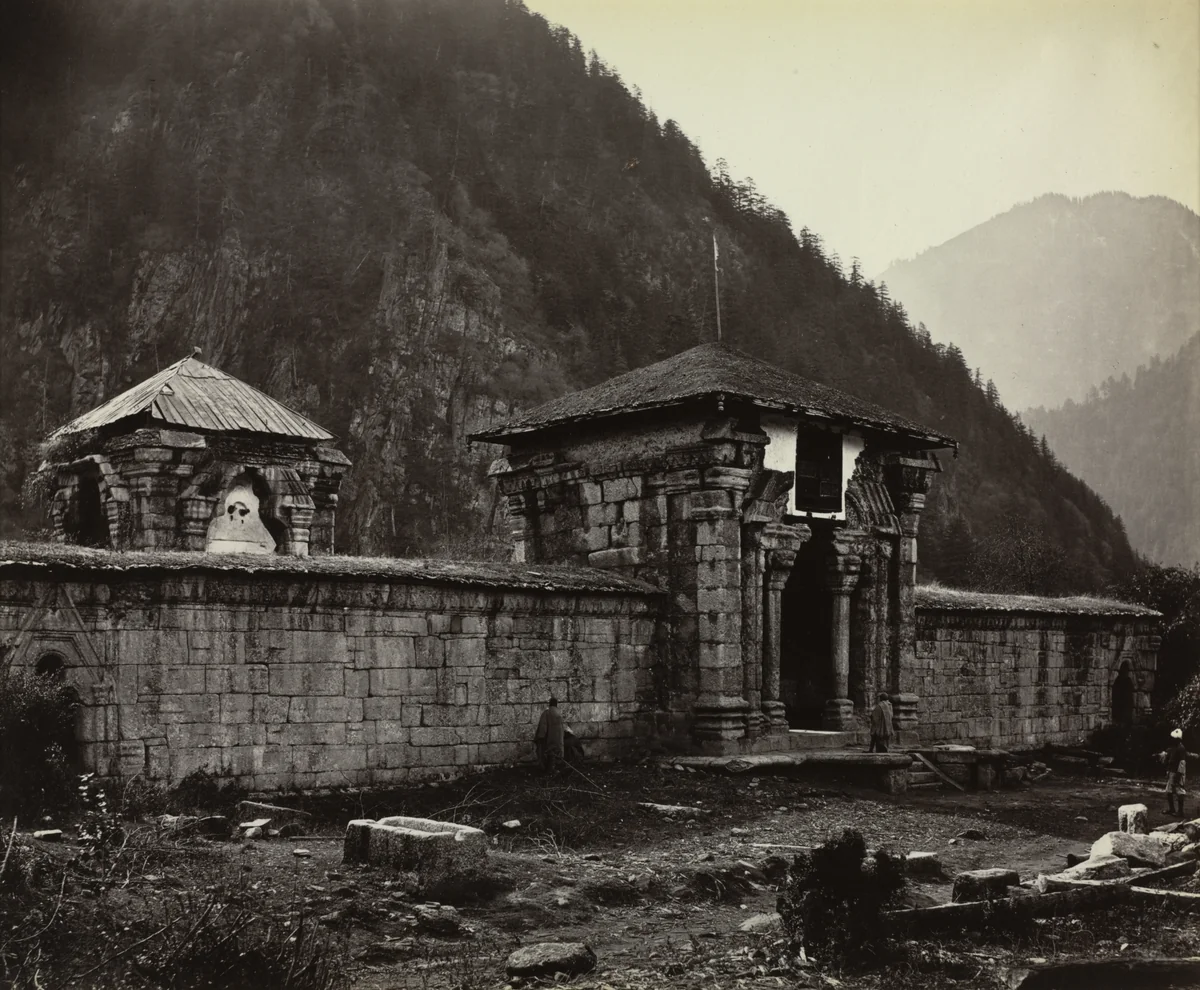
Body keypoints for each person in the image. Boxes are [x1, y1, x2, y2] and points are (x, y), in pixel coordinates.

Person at [534, 696, 564, 772]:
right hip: (558, 739)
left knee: (548, 752)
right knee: (556, 752)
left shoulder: (546, 713)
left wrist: (540, 737)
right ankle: (555, 768)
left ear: (550, 704)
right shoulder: (559, 713)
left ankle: (549, 770)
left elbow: (543, 727)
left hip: (549, 738)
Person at [1163, 728, 1188, 817]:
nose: (1172, 739)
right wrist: (1168, 771)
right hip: (1172, 771)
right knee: (1169, 791)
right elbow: (1170, 760)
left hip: (1178, 772)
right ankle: (1172, 809)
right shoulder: (1173, 748)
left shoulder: (1181, 748)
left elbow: (1182, 763)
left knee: (1179, 791)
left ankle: (1180, 811)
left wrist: (1179, 774)